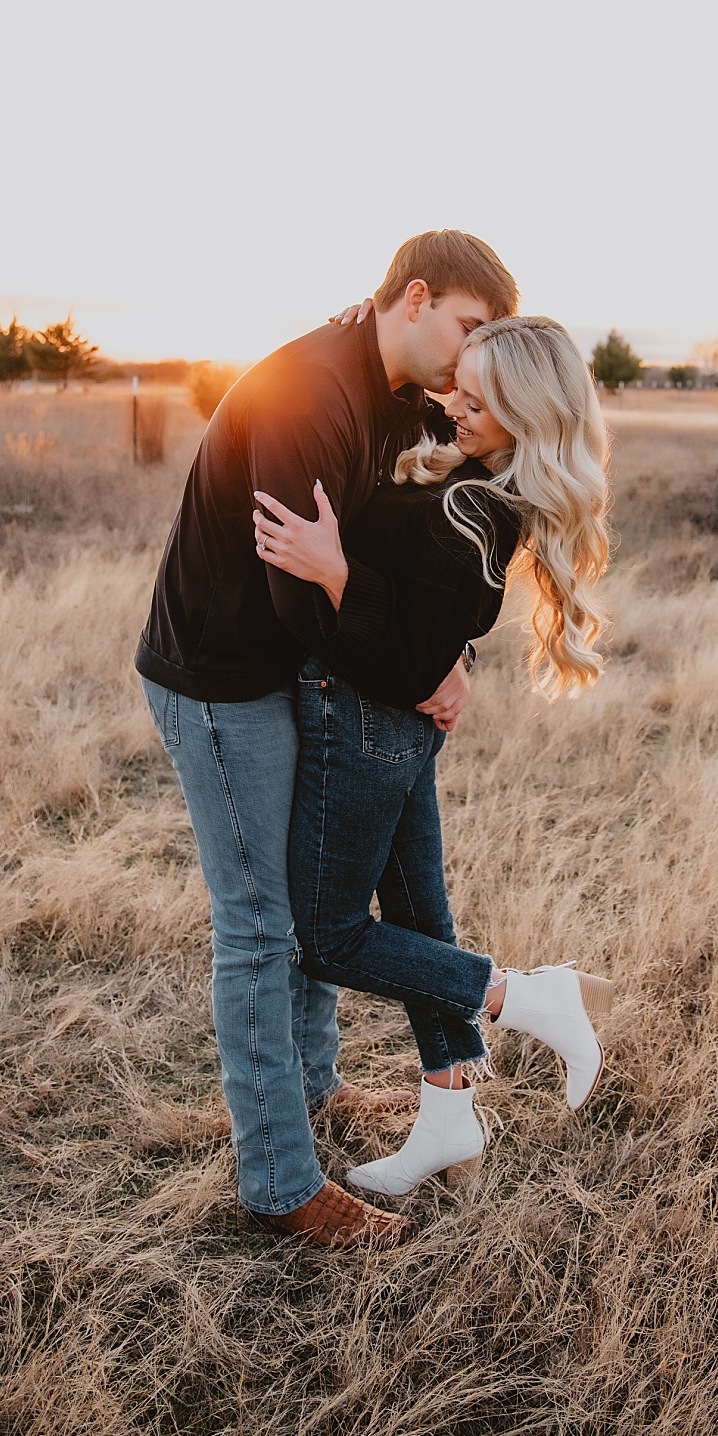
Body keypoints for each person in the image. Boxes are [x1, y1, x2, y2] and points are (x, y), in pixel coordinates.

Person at [135, 229, 519, 1249]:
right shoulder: (311, 394)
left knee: (311, 895)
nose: (474, 357)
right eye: (471, 328)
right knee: (265, 927)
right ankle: (278, 1181)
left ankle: (313, 1089)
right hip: (223, 681)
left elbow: (408, 540)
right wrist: (423, 665)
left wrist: (439, 645)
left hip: (291, 673)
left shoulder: (397, 385)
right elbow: (302, 604)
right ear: (416, 296)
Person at [251, 315, 616, 1198]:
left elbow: (415, 652)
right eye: (458, 383)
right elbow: (439, 632)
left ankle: (529, 999)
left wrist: (337, 572)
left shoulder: (472, 507)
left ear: (525, 412)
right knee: (418, 926)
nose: (453, 403)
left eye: (476, 396)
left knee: (329, 935)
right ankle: (450, 1120)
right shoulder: (474, 482)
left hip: (370, 724)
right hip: (399, 731)